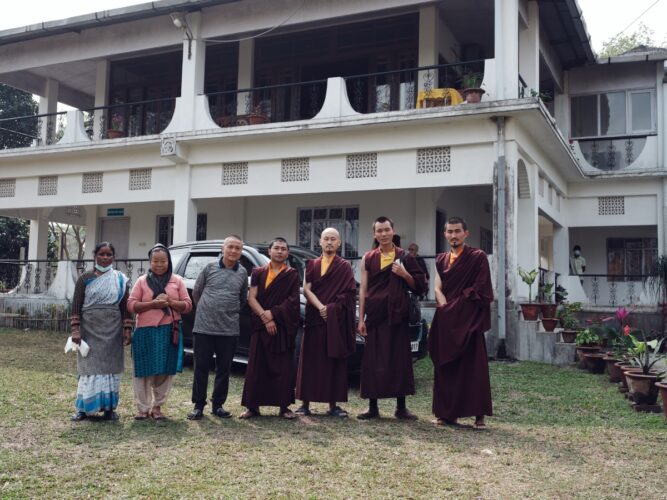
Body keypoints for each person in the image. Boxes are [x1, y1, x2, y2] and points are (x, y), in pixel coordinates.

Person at [357, 216, 427, 420]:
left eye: (387, 230)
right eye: (379, 231)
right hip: (376, 315)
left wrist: (405, 274)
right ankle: (372, 407)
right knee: (373, 359)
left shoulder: (405, 257)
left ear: (393, 231)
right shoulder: (368, 258)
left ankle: (401, 407)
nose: (383, 234)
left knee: (399, 359)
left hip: (398, 315)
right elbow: (363, 290)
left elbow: (421, 286)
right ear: (374, 234)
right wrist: (361, 319)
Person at [428, 217, 493, 429]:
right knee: (447, 366)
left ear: (466, 233)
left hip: (470, 320)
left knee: (474, 368)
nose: (453, 235)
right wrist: (447, 309)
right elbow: (438, 287)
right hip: (448, 318)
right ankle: (447, 414)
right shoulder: (441, 259)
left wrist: (455, 309)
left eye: (457, 231)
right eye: (450, 232)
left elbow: (481, 289)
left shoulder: (477, 257)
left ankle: (478, 416)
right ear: (445, 234)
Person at [295, 227, 356, 417]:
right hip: (315, 318)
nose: (329, 242)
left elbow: (348, 293)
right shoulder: (312, 264)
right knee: (309, 361)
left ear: (339, 243)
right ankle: (304, 404)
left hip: (334, 321)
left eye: (333, 239)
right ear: (320, 242)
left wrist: (331, 309)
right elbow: (307, 289)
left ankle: (333, 405)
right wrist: (322, 307)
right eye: (326, 239)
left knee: (333, 361)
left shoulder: (344, 266)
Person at [127, 244, 192, 420]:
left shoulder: (177, 281)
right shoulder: (142, 281)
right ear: (150, 262)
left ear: (169, 261)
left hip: (169, 330)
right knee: (142, 370)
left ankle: (157, 407)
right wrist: (153, 305)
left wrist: (170, 301)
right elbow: (131, 305)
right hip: (145, 332)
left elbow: (187, 306)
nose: (159, 264)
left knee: (165, 370)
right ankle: (142, 408)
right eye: (155, 261)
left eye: (163, 261)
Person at [187, 235, 248, 420]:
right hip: (204, 327)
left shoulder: (242, 272)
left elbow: (242, 299)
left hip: (228, 329)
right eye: (230, 246)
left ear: (241, 251)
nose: (233, 251)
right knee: (201, 367)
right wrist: (208, 309)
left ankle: (218, 405)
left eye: (237, 248)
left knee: (224, 369)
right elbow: (196, 293)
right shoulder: (209, 268)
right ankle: (198, 405)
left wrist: (227, 311)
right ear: (223, 248)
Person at [69, 242, 132, 422]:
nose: (105, 258)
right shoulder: (85, 279)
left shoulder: (120, 279)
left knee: (110, 369)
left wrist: (127, 329)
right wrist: (75, 330)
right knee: (88, 368)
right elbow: (76, 306)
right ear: (95, 255)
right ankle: (83, 409)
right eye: (102, 254)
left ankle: (109, 409)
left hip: (113, 330)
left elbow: (125, 308)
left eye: (109, 254)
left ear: (113, 257)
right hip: (89, 330)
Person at [241, 237, 300, 419]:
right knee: (256, 366)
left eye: (283, 249)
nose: (280, 251)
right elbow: (252, 298)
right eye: (277, 248)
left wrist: (273, 314)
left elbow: (292, 302)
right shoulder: (258, 272)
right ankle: (253, 407)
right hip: (261, 325)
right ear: (269, 251)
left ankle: (284, 407)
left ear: (287, 253)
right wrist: (265, 318)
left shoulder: (292, 274)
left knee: (282, 367)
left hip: (281, 326)